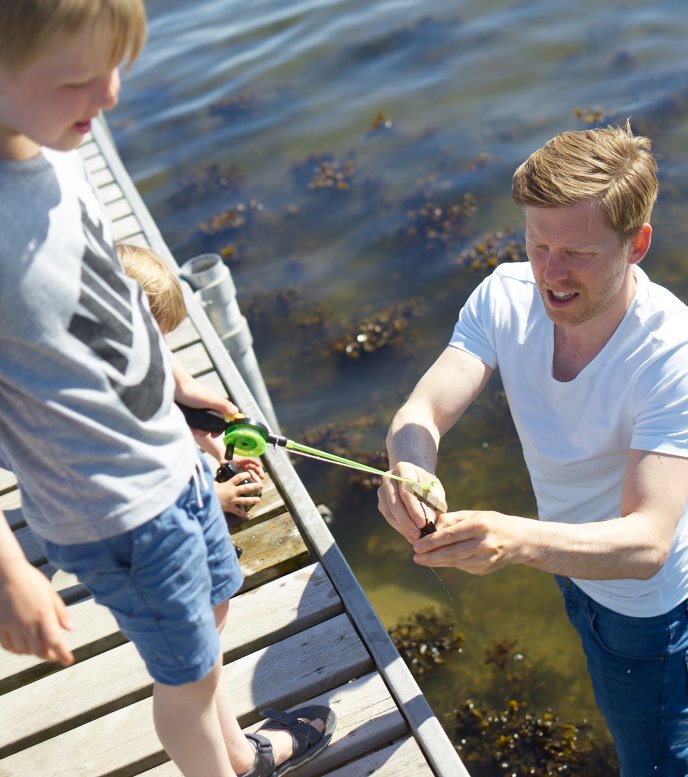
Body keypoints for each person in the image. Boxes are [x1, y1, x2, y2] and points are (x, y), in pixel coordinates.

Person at [0, 3, 335, 777]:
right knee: (185, 682)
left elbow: (101, 295)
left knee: (213, 620)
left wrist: (176, 385)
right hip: (116, 515)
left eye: (116, 66)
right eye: (80, 78)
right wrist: (13, 576)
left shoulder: (57, 143)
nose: (111, 95)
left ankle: (239, 756)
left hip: (175, 468)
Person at [378, 123, 688, 776]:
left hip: (647, 608)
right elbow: (423, 410)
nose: (549, 273)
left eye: (575, 251)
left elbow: (648, 541)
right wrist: (411, 466)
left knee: (654, 762)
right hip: (568, 560)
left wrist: (514, 539)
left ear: (638, 245)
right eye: (537, 243)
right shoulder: (504, 296)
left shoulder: (672, 355)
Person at [117, 241, 264, 520]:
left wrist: (223, 453)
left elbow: (179, 394)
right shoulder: (109, 404)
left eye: (162, 338)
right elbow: (135, 483)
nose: (158, 347)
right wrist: (210, 497)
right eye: (152, 339)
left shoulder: (133, 350)